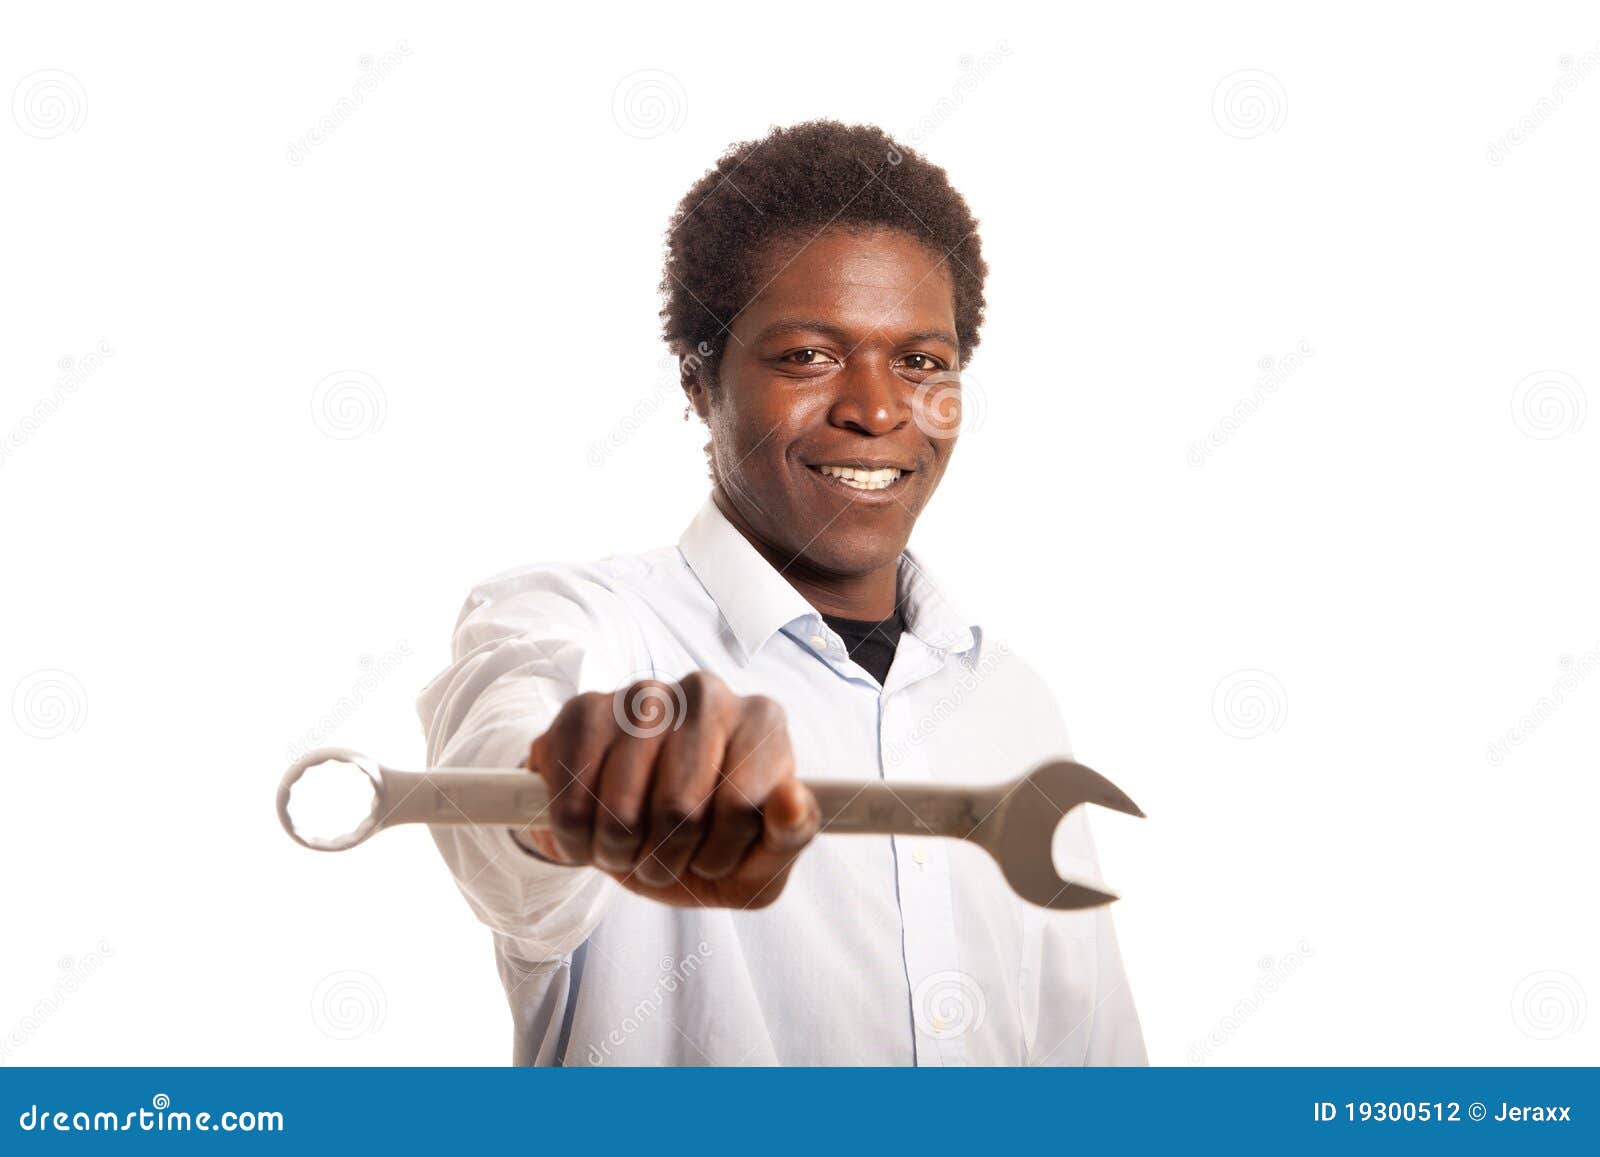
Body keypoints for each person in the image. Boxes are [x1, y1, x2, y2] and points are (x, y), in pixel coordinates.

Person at [416, 119, 1146, 1066]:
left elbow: (1092, 1069)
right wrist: (592, 777)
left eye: (921, 361)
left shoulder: (1012, 701)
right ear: (697, 379)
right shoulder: (581, 623)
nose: (878, 410)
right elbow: (507, 771)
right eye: (809, 355)